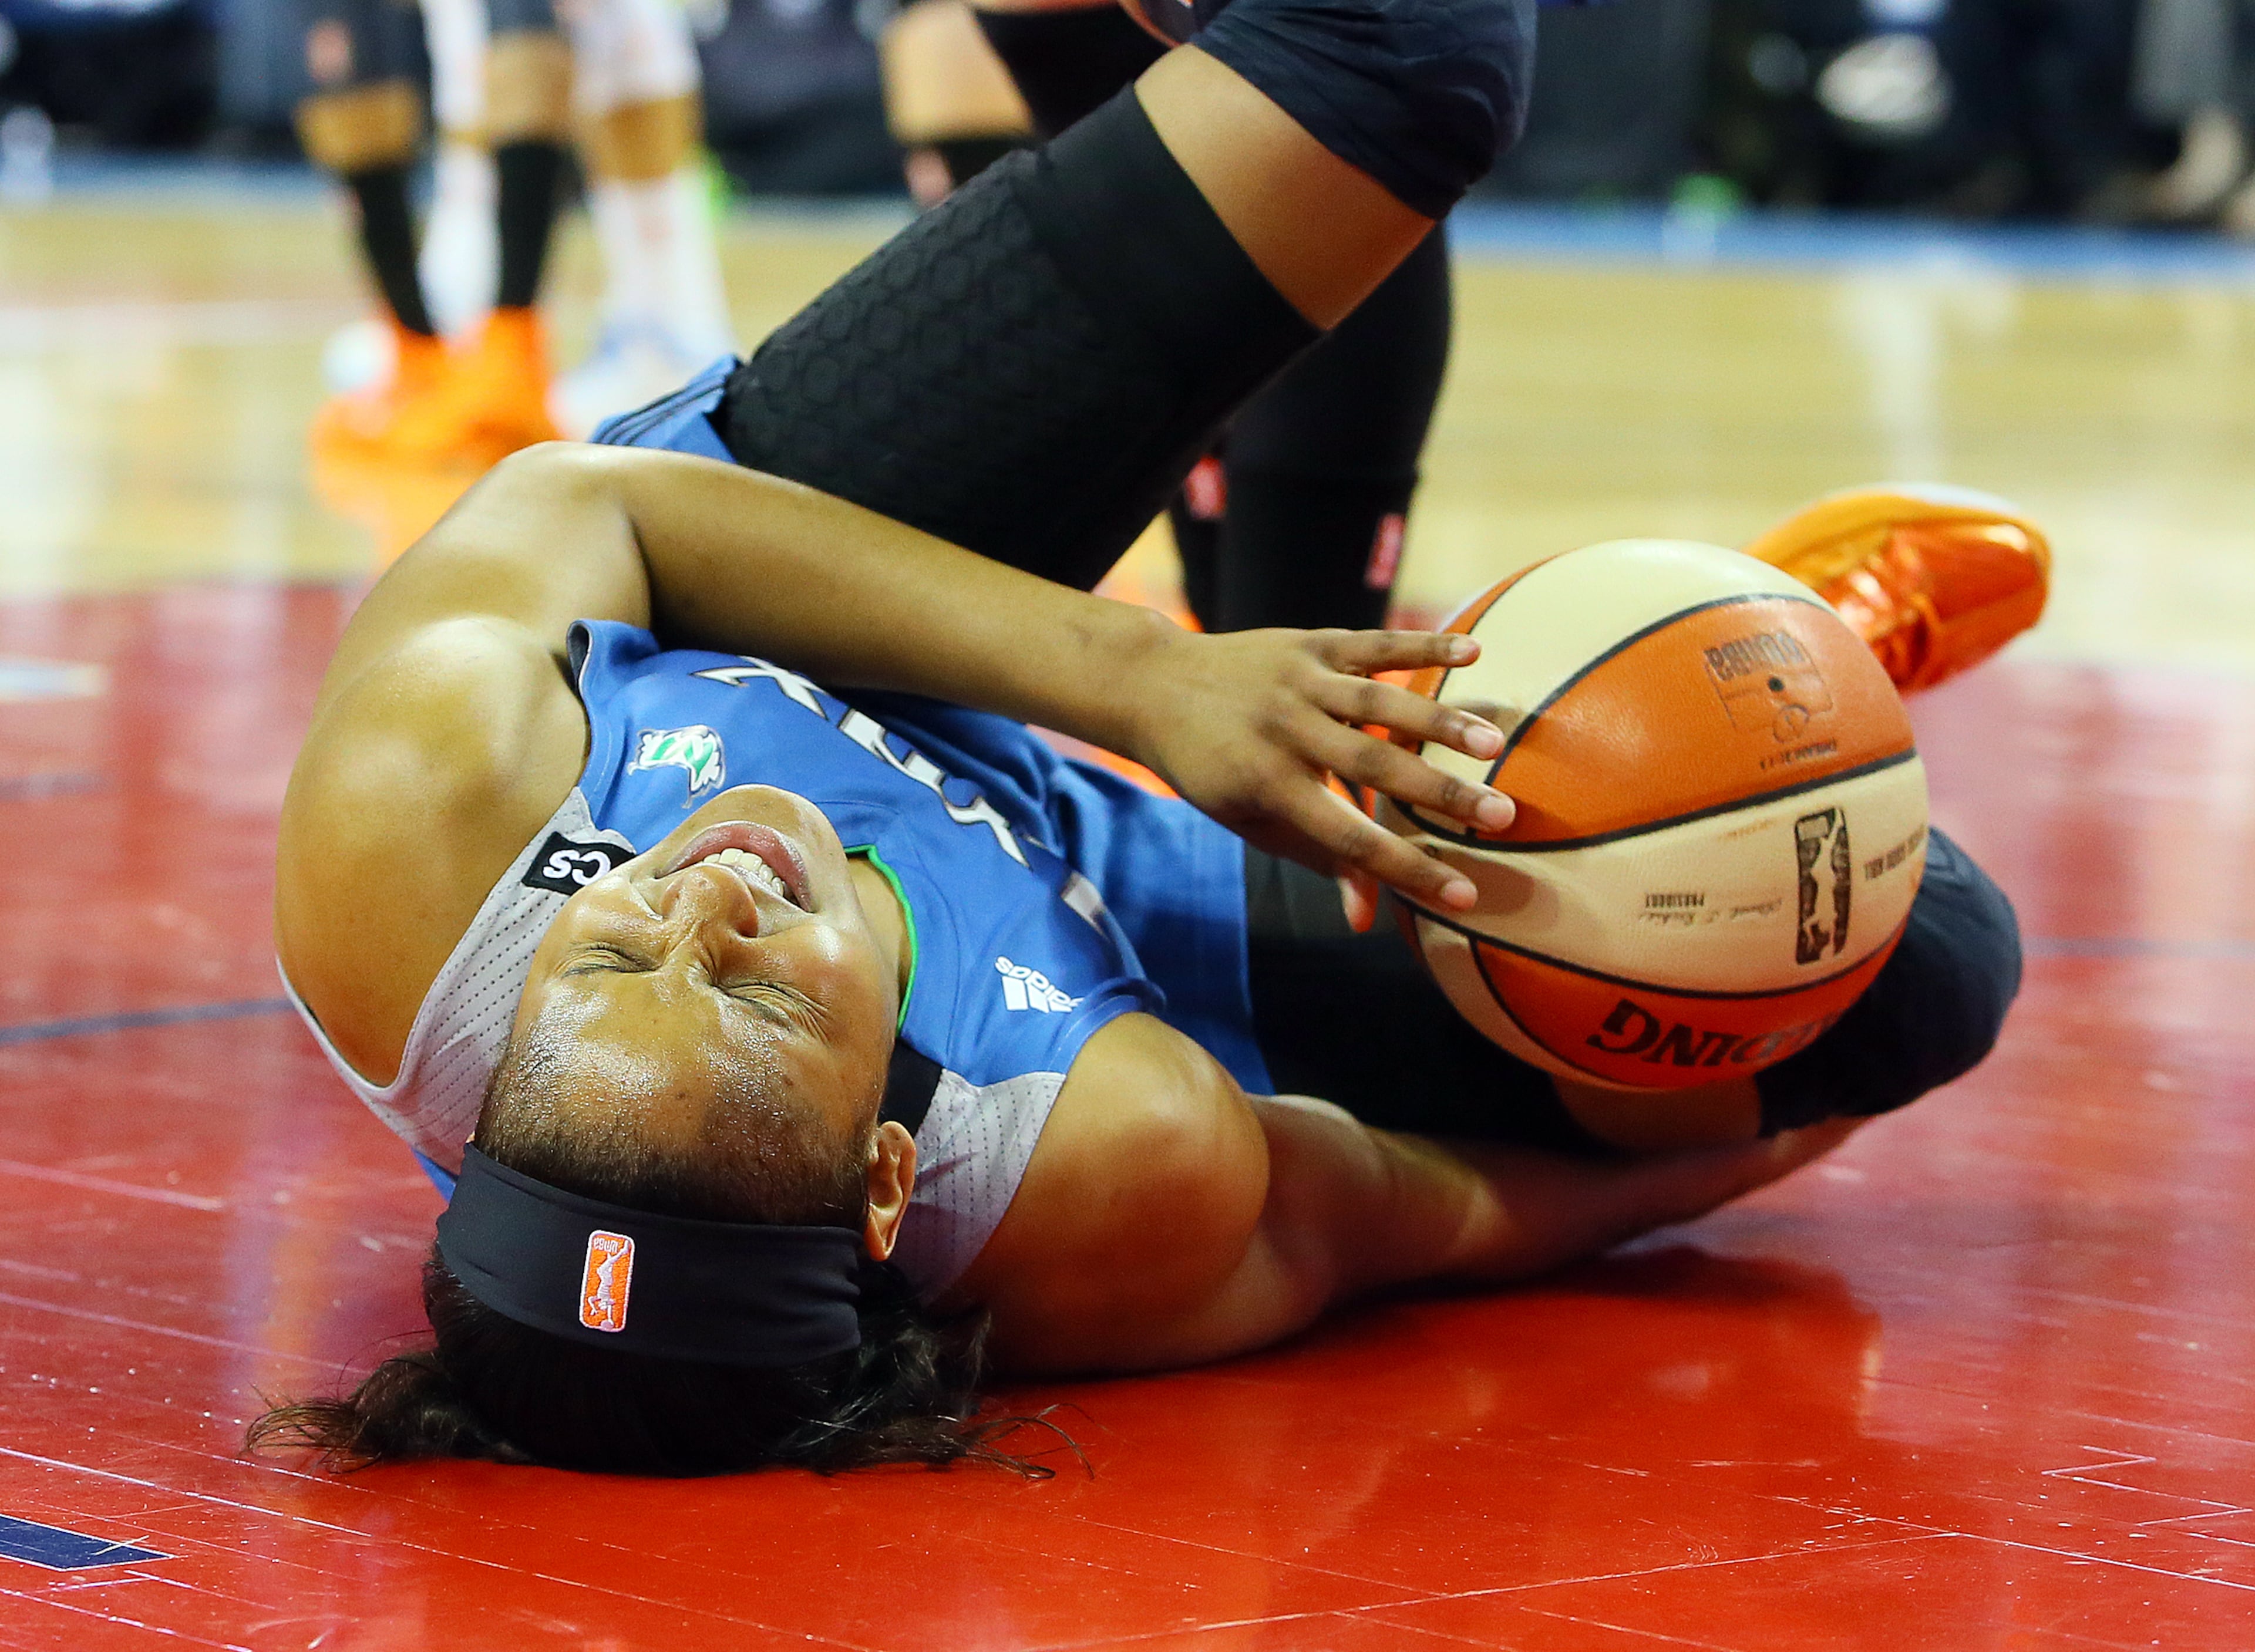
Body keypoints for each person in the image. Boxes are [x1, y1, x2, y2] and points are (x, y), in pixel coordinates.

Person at [255, 0, 2032, 1476]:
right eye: (757, 987)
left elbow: (600, 508)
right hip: (1068, 874)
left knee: (1404, 53)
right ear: (892, 1173)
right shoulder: (1091, 1172)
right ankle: (1769, 674)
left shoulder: (406, 845)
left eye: (621, 940)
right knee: (1919, 960)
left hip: (753, 570)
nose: (704, 893)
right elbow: (1431, 1215)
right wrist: (1736, 1068)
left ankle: (1075, 65)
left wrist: (1150, 678)